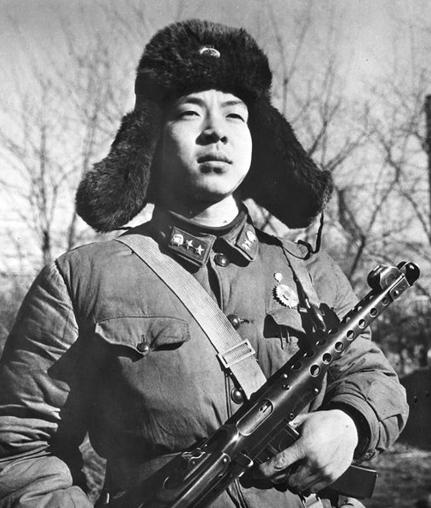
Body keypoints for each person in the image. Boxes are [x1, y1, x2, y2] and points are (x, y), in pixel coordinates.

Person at [0, 19, 408, 508]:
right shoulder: (81, 278)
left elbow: (373, 377)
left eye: (236, 115)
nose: (216, 131)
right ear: (153, 137)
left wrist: (349, 423)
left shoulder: (311, 273)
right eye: (190, 112)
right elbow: (21, 450)